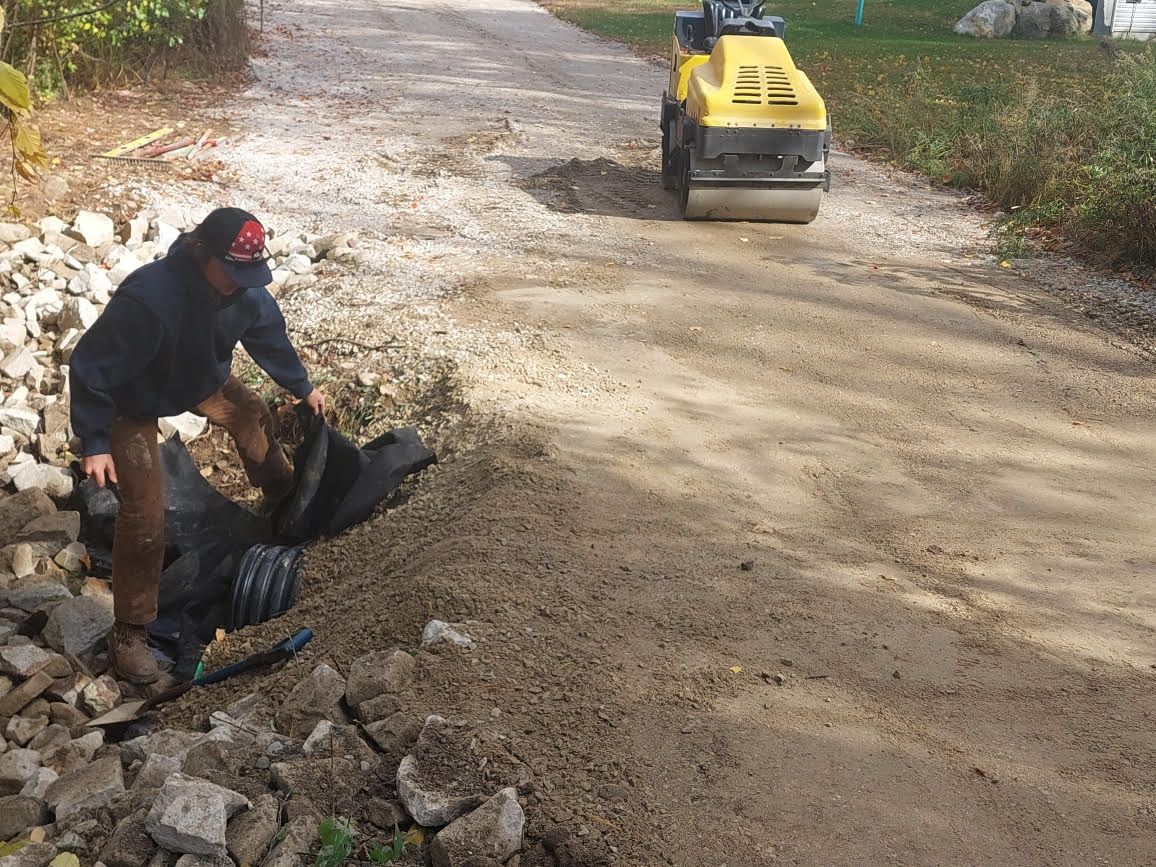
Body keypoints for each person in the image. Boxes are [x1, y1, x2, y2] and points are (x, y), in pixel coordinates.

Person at [69, 207, 325, 685]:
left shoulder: (243, 291)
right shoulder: (149, 299)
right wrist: (96, 440)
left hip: (198, 378)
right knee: (145, 513)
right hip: (132, 400)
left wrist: (303, 385)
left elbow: (269, 337)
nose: (238, 282)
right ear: (201, 252)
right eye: (231, 272)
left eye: (247, 273)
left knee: (250, 415)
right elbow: (90, 366)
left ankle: (285, 502)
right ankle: (130, 633)